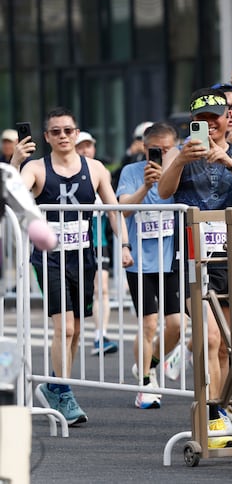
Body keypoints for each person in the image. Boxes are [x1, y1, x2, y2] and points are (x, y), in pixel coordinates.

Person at [158, 86, 232, 448]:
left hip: (229, 255)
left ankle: (221, 408)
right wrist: (180, 161)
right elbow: (163, 191)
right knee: (211, 336)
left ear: (227, 118)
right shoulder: (180, 151)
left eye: (214, 118)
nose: (208, 125)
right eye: (199, 120)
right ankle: (211, 413)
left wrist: (227, 160)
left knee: (227, 345)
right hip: (190, 255)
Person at [17, 106, 133, 425]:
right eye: (56, 132)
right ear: (46, 137)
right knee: (64, 327)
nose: (63, 136)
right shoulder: (36, 168)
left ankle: (55, 384)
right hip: (49, 256)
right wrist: (15, 162)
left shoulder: (95, 168)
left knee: (77, 327)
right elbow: (11, 194)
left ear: (77, 132)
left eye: (68, 130)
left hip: (83, 254)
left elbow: (112, 209)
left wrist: (123, 243)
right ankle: (65, 392)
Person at [116, 122, 183, 409]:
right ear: (144, 148)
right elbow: (124, 207)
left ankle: (151, 362)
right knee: (149, 323)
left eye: (167, 150)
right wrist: (146, 185)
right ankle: (144, 384)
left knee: (177, 325)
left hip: (170, 259)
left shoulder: (180, 171)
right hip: (140, 262)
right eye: (155, 150)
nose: (161, 155)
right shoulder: (132, 172)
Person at [75, 131, 118, 355]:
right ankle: (79, 331)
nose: (85, 150)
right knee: (86, 291)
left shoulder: (100, 172)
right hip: (75, 243)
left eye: (88, 146)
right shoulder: (70, 174)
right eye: (80, 146)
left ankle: (101, 335)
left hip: (98, 241)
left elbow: (113, 209)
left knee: (102, 288)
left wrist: (124, 243)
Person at [111, 121, 154, 190]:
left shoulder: (158, 155)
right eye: (138, 139)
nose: (140, 142)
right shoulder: (135, 156)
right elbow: (118, 174)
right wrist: (130, 153)